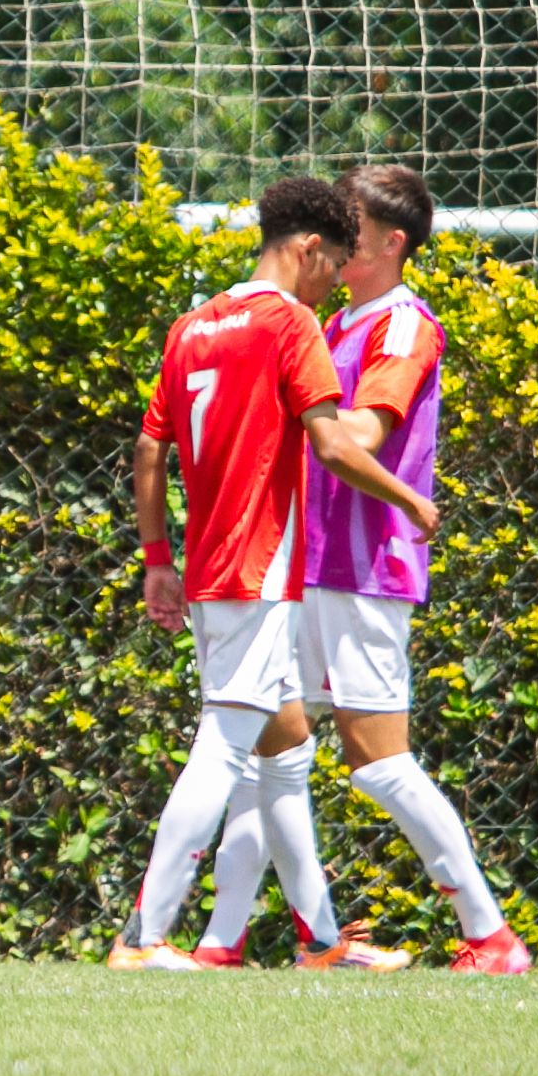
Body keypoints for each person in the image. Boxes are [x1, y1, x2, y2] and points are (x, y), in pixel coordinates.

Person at [192, 167, 529, 971]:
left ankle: (489, 934)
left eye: (354, 230)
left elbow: (361, 437)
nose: (336, 246)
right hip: (299, 564)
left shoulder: (404, 327)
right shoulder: (328, 322)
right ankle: (221, 941)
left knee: (377, 760)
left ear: (392, 243)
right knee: (261, 746)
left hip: (362, 568)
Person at [112, 175, 440, 972]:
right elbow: (331, 444)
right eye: (333, 261)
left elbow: (149, 449)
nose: (335, 277)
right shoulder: (290, 323)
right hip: (258, 566)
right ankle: (142, 936)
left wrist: (158, 557)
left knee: (284, 747)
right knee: (222, 744)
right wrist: (411, 503)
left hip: (209, 566)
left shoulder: (193, 323)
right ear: (304, 248)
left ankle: (321, 942)